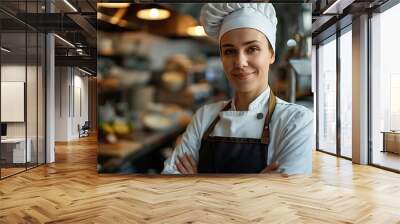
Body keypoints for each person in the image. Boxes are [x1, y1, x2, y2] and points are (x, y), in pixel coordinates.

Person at [162, 3, 313, 175]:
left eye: (252, 49)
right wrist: (257, 184)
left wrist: (198, 180)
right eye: (229, 52)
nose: (240, 62)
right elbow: (171, 179)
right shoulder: (205, 117)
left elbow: (286, 195)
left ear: (272, 54)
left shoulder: (295, 120)